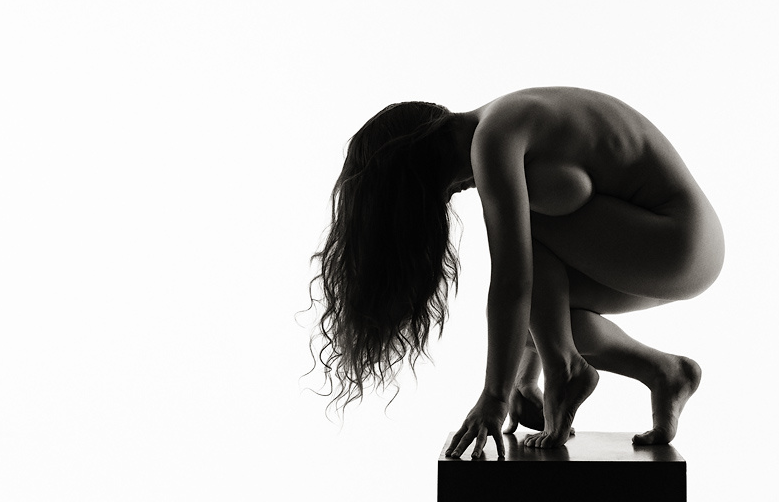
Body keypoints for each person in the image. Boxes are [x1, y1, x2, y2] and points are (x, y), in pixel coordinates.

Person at [310, 87, 724, 459]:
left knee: (520, 233)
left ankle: (565, 368)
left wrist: (495, 395)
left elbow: (513, 280)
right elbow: (533, 290)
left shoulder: (495, 136)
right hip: (668, 251)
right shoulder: (498, 125)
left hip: (680, 239)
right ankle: (664, 372)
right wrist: (523, 381)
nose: (450, 196)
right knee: (542, 320)